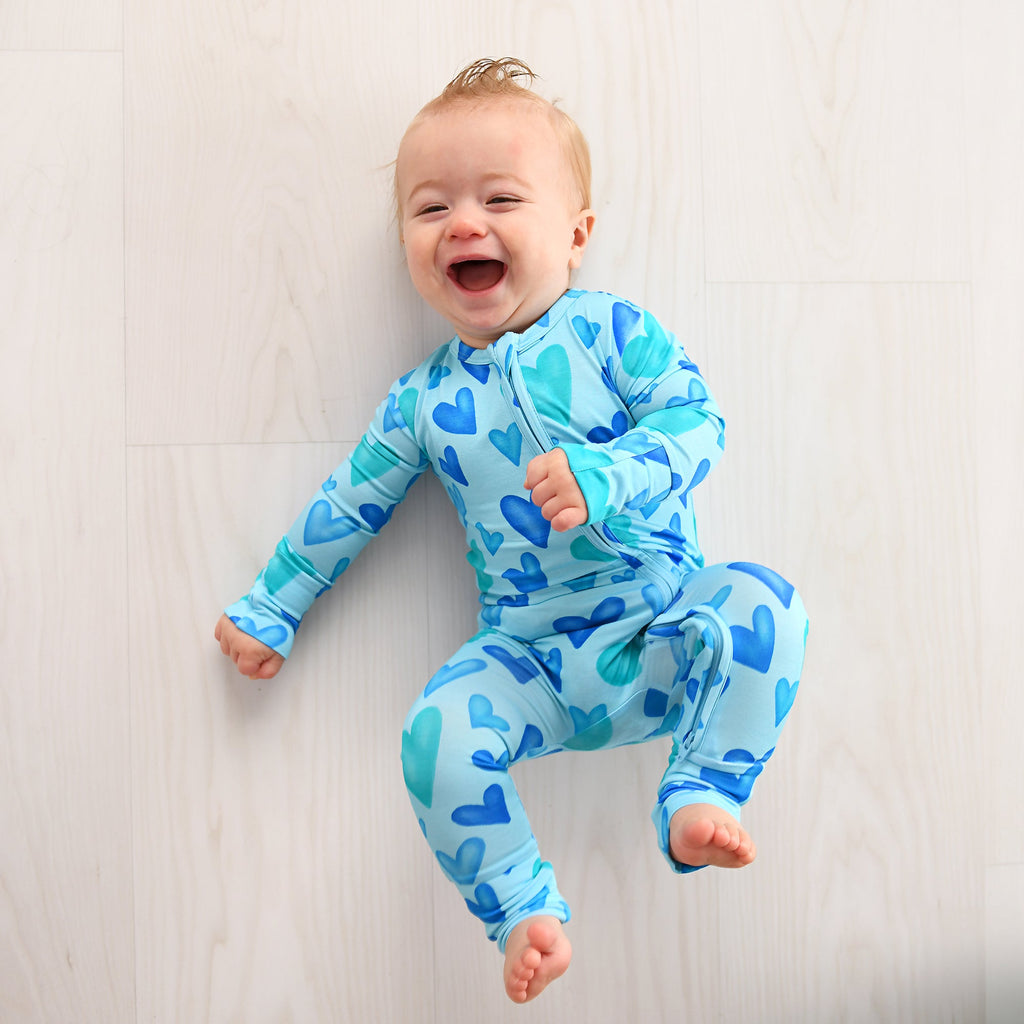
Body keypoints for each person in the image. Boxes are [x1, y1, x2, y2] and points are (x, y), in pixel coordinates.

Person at [215, 57, 808, 1004]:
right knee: (434, 736)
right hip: (530, 665)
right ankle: (523, 910)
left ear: (575, 236)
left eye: (500, 199)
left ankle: (702, 788)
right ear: (408, 246)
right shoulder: (422, 402)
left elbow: (700, 424)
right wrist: (270, 608)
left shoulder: (612, 333)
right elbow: (347, 507)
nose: (463, 223)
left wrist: (608, 477)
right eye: (430, 208)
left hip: (664, 629)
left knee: (766, 605)